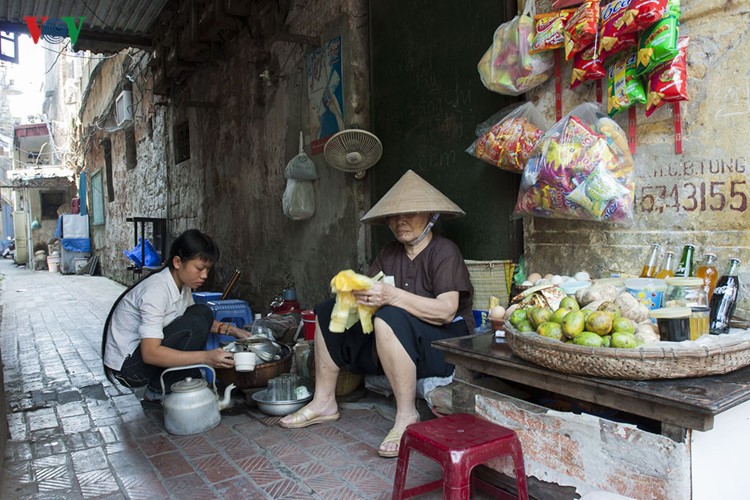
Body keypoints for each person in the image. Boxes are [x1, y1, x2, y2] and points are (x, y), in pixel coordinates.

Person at [279, 170, 474, 458]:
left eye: (409, 213)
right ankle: (324, 402)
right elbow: (372, 297)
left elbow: (446, 312)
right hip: (393, 341)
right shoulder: (389, 252)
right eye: (393, 216)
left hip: (442, 344)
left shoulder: (444, 251)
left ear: (430, 215)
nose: (399, 222)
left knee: (389, 316)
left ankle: (406, 415)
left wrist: (391, 296)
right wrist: (355, 294)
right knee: (326, 310)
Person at [102, 229, 250, 402]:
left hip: (141, 357)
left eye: (208, 270)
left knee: (202, 312)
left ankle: (182, 379)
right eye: (199, 268)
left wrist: (235, 332)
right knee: (194, 322)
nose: (204, 276)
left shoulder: (182, 284)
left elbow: (202, 319)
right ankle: (159, 391)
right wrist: (206, 357)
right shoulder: (156, 291)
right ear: (178, 262)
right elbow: (150, 353)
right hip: (130, 369)